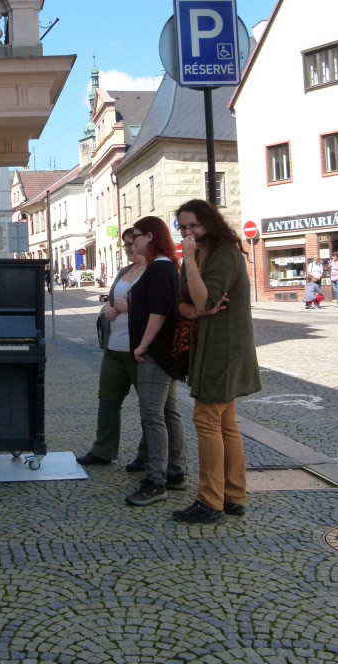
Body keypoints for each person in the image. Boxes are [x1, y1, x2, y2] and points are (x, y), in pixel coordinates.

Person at [174, 199, 262, 524]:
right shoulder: (199, 254)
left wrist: (188, 264)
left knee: (207, 420)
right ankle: (234, 495)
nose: (188, 233)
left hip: (223, 347)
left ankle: (210, 501)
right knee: (225, 423)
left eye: (193, 226)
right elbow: (184, 302)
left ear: (209, 222)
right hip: (209, 344)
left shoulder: (224, 254)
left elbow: (202, 297)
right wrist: (195, 310)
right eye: (182, 227)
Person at [124, 216, 186, 506]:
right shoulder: (164, 267)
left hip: (155, 353)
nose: (132, 241)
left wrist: (142, 346)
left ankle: (155, 481)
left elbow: (158, 313)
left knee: (152, 415)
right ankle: (174, 471)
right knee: (169, 411)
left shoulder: (160, 268)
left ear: (150, 236)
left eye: (136, 236)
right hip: (163, 352)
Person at [76, 229, 148, 468]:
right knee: (107, 400)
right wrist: (108, 308)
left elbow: (158, 305)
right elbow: (111, 300)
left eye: (131, 243)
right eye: (125, 244)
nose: (128, 248)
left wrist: (129, 306)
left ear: (145, 241)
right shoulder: (125, 271)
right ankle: (103, 450)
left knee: (149, 405)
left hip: (140, 350)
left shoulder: (153, 271)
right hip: (114, 346)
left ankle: (147, 455)